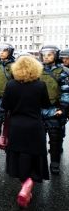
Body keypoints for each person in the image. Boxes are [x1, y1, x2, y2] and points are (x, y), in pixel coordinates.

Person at [1, 56, 50, 208]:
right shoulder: (40, 85)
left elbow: (5, 106)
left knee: (18, 157)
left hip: (16, 127)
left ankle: (25, 184)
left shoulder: (10, 85)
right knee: (33, 156)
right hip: (35, 127)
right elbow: (46, 104)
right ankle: (28, 186)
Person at [39, 45, 69, 175]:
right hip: (39, 110)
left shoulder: (62, 71)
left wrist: (62, 108)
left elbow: (66, 91)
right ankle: (39, 163)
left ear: (55, 56)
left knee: (55, 139)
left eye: (49, 55)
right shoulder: (37, 70)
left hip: (54, 109)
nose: (46, 57)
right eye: (44, 55)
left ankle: (54, 163)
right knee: (39, 139)